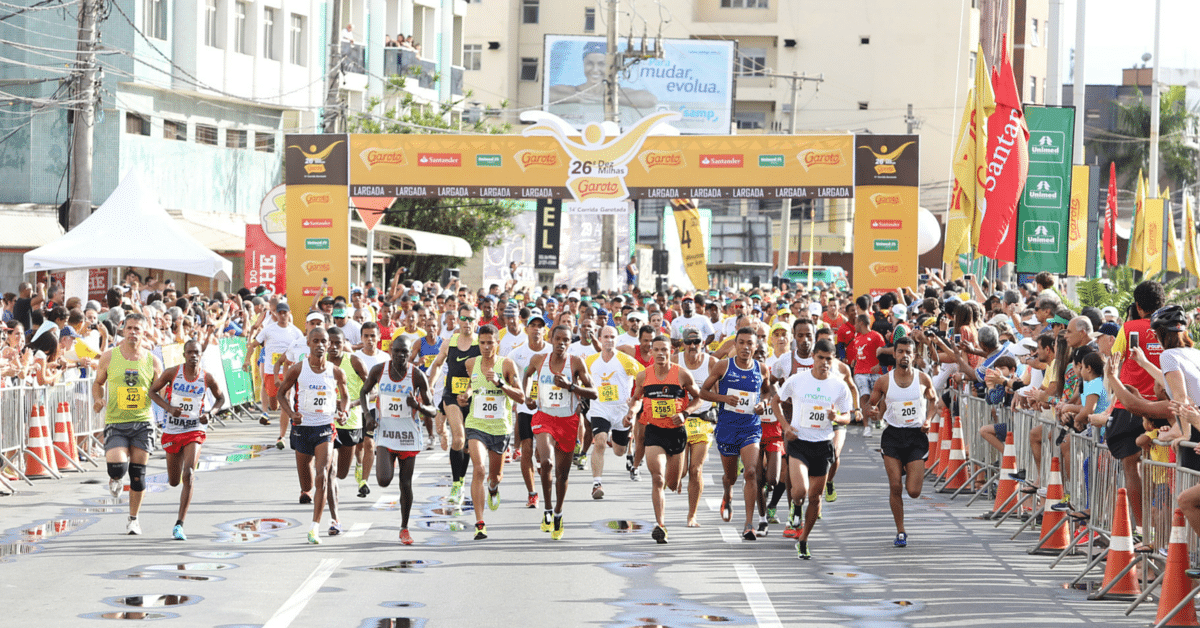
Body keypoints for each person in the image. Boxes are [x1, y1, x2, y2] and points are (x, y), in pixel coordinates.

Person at [773, 338, 853, 559]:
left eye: (829, 359)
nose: (824, 363)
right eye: (820, 358)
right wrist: (785, 426)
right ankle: (795, 506)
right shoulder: (798, 380)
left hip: (823, 445)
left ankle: (804, 539)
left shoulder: (839, 385)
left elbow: (848, 416)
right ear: (813, 358)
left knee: (815, 498)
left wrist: (837, 417)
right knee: (799, 490)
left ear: (833, 360)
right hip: (799, 442)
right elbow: (775, 401)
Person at [277, 327, 350, 544]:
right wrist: (291, 414)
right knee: (307, 483)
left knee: (323, 475)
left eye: (323, 341)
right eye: (315, 341)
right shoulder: (298, 369)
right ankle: (310, 500)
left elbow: (345, 397)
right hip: (302, 428)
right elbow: (281, 393)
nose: (319, 345)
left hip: (325, 428)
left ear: (329, 345)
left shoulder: (336, 372)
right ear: (308, 344)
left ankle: (315, 527)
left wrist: (343, 412)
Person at [626, 334, 702, 544]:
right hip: (655, 431)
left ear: (671, 352)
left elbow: (698, 398)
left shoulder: (682, 374)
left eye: (664, 350)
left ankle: (675, 481)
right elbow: (636, 399)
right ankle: (660, 525)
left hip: (676, 432)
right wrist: (631, 413)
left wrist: (685, 413)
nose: (660, 353)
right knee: (658, 479)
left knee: (671, 482)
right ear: (651, 352)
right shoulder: (644, 376)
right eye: (656, 349)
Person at [524, 324, 597, 539]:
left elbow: (593, 392)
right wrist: (527, 396)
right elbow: (527, 376)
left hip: (567, 420)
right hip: (544, 417)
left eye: (566, 340)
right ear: (551, 339)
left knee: (562, 474)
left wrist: (571, 387)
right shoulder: (539, 360)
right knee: (546, 463)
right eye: (558, 339)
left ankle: (558, 513)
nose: (562, 343)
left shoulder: (575, 362)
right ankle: (546, 509)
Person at [92, 313, 163, 535]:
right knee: (117, 467)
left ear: (144, 333)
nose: (133, 332)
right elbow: (98, 383)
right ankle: (114, 478)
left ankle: (133, 519)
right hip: (117, 421)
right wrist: (98, 399)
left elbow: (159, 389)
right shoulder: (109, 357)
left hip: (142, 422)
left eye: (137, 329)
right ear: (123, 330)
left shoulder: (152, 360)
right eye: (129, 328)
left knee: (138, 474)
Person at [148, 339, 225, 541]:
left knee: (189, 473)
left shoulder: (207, 377)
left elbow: (220, 398)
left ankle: (179, 524)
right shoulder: (172, 373)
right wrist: (168, 408)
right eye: (189, 352)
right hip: (173, 429)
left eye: (197, 353)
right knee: (174, 481)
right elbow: (152, 392)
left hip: (194, 428)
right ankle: (177, 483)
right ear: (184, 355)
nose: (193, 356)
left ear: (201, 355)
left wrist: (211, 413)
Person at [362, 336, 435, 545]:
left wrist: (418, 406)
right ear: (390, 350)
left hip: (408, 436)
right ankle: (386, 461)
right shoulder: (379, 370)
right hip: (385, 432)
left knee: (405, 483)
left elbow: (433, 410)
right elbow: (364, 391)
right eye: (397, 351)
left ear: (409, 353)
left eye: (405, 352)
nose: (401, 355)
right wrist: (368, 415)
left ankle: (404, 527)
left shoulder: (417, 375)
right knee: (384, 480)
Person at [865, 337, 938, 548]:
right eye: (900, 352)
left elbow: (933, 401)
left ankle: (907, 468)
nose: (904, 355)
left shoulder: (923, 379)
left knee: (914, 492)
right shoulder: (884, 381)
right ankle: (901, 531)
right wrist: (874, 411)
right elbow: (871, 407)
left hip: (916, 437)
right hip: (893, 436)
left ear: (914, 356)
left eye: (908, 352)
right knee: (895, 485)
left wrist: (928, 420)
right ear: (894, 354)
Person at [701, 326, 771, 539]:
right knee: (731, 476)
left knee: (750, 472)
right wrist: (724, 399)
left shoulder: (762, 369)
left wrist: (763, 404)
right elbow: (703, 392)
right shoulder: (723, 366)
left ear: (756, 346)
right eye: (741, 343)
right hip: (727, 428)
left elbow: (767, 391)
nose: (745, 347)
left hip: (750, 427)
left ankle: (748, 524)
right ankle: (727, 492)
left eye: (750, 343)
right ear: (735, 345)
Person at [461, 325, 524, 539]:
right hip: (476, 424)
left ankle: (493, 488)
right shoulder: (472, 363)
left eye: (490, 342)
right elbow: (472, 384)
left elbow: (521, 397)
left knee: (495, 476)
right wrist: (466, 395)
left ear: (498, 343)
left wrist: (500, 383)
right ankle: (480, 523)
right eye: (482, 343)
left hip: (500, 427)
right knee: (478, 469)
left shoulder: (506, 364)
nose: (486, 347)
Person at [424, 304, 480, 508]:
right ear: (457, 320)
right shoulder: (450, 343)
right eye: (463, 319)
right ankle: (456, 485)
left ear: (476, 321)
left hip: (473, 397)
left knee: (466, 447)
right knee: (459, 438)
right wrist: (431, 384)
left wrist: (470, 391)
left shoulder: (480, 345)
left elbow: (483, 373)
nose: (467, 323)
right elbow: (438, 364)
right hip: (451, 395)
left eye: (471, 319)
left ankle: (462, 480)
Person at [584, 325, 643, 500]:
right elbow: (580, 377)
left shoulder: (626, 360)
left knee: (619, 451)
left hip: (621, 411)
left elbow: (644, 378)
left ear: (617, 340)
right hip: (600, 408)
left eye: (612, 337)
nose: (609, 340)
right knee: (600, 442)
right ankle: (597, 484)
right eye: (606, 337)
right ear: (599, 339)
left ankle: (616, 437)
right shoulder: (590, 361)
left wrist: (634, 398)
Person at [675, 327, 717, 527]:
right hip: (679, 420)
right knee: (679, 473)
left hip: (703, 421)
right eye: (688, 342)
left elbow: (719, 393)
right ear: (683, 344)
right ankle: (676, 476)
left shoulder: (711, 363)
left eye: (697, 342)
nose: (693, 346)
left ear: (703, 343)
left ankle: (692, 515)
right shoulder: (675, 361)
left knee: (696, 469)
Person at [243, 302, 303, 425]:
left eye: (284, 313)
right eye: (279, 312)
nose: (282, 315)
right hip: (271, 370)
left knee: (286, 399)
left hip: (288, 369)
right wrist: (247, 360)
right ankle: (272, 408)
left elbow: (303, 348)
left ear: (289, 313)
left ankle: (285, 431)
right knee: (274, 404)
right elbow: (253, 345)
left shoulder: (296, 332)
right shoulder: (268, 330)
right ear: (276, 313)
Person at [352, 322, 388, 497]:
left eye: (373, 336)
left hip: (374, 407)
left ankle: (364, 482)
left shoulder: (386, 358)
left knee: (369, 443)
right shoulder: (354, 357)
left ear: (379, 337)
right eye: (366, 336)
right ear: (361, 338)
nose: (369, 340)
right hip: (356, 406)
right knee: (358, 445)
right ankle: (359, 465)